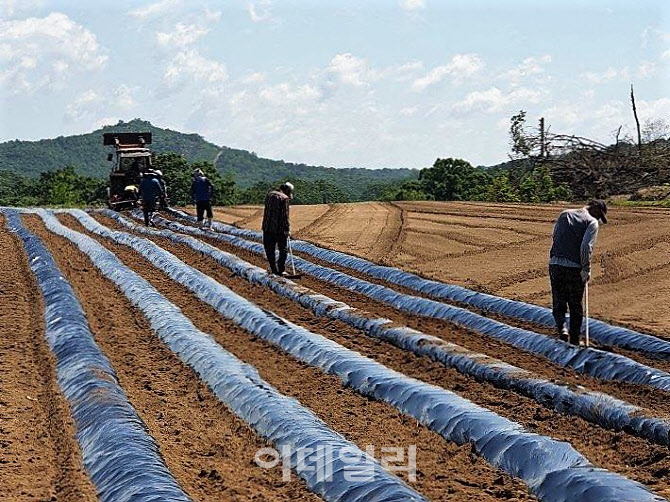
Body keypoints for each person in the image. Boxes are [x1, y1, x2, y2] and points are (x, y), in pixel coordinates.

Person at [549, 199, 608, 345]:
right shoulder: (591, 223)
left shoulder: (564, 214)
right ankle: (575, 339)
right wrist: (586, 269)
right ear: (594, 208)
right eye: (599, 215)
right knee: (575, 304)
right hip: (574, 268)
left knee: (559, 301)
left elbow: (555, 237)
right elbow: (585, 248)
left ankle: (562, 329)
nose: (598, 219)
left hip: (555, 264)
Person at [262, 182, 294, 275]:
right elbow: (284, 216)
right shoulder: (284, 198)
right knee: (283, 250)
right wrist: (287, 229)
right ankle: (281, 270)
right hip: (278, 229)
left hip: (267, 227)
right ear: (287, 190)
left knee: (269, 249)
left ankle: (273, 269)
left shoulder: (269, 195)